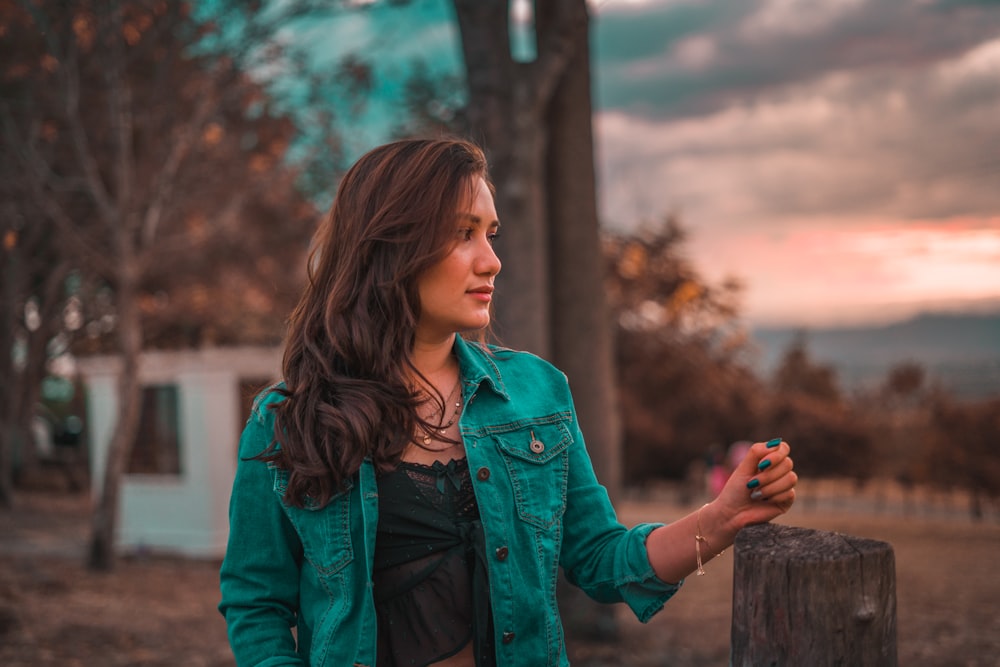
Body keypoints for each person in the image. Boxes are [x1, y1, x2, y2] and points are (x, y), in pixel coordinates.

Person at [218, 137, 797, 667]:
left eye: (490, 233)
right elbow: (256, 603)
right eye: (462, 233)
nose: (491, 260)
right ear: (390, 245)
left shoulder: (537, 393)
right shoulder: (288, 418)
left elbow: (599, 557)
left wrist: (720, 521)